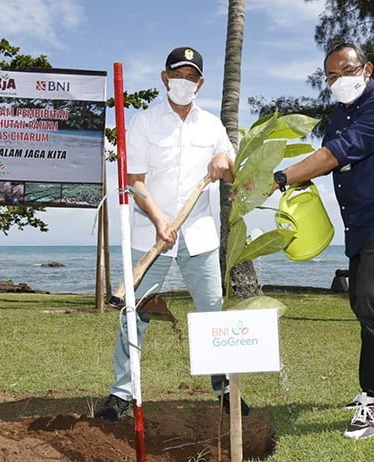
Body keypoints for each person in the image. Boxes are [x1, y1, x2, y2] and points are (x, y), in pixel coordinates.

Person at [269, 43, 374, 439]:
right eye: (332, 76)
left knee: (372, 300)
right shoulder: (339, 115)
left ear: (367, 69)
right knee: (361, 301)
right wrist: (281, 179)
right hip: (361, 227)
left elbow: (338, 152)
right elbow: (326, 159)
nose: (340, 81)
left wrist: (285, 176)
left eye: (347, 71)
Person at [95, 46, 248, 421]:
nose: (183, 82)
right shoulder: (144, 122)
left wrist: (223, 161)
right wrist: (161, 221)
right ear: (165, 79)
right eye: (177, 75)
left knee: (212, 314)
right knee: (135, 313)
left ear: (201, 83)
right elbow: (135, 181)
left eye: (190, 77)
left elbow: (231, 174)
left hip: (199, 233)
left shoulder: (213, 126)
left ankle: (224, 388)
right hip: (151, 232)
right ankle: (122, 392)